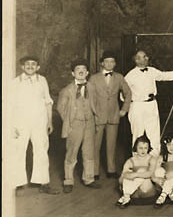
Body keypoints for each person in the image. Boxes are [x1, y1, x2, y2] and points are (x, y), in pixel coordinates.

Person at [124, 49, 173, 155]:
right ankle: (137, 160)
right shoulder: (130, 76)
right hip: (137, 106)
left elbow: (165, 76)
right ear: (137, 60)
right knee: (137, 134)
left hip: (152, 105)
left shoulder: (151, 71)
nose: (147, 58)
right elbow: (123, 94)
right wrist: (132, 102)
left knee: (154, 134)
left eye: (146, 56)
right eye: (144, 56)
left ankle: (154, 159)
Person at [9, 55, 58, 194]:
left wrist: (49, 121)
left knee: (41, 151)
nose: (30, 66)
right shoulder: (15, 83)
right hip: (20, 123)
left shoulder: (42, 80)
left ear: (38, 67)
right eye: (27, 64)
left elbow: (48, 102)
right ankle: (17, 184)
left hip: (39, 122)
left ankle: (43, 183)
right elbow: (9, 106)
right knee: (18, 151)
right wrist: (11, 126)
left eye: (33, 64)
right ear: (22, 67)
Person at [57, 60, 101, 193]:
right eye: (78, 69)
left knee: (89, 152)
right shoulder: (67, 90)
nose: (81, 71)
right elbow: (60, 108)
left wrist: (95, 120)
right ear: (73, 73)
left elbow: (96, 104)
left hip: (90, 123)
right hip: (75, 124)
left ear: (87, 73)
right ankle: (68, 180)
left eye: (83, 69)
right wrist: (69, 122)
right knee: (72, 152)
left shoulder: (92, 87)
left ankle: (89, 178)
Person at [87, 50, 132, 180]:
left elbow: (128, 93)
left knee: (111, 145)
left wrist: (124, 109)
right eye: (107, 61)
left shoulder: (119, 77)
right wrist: (93, 113)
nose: (109, 64)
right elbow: (89, 97)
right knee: (95, 145)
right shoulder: (94, 78)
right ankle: (94, 171)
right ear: (102, 63)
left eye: (112, 61)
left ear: (115, 63)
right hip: (98, 116)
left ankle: (111, 170)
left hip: (113, 116)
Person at [116, 134, 157, 207]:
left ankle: (126, 196)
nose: (143, 150)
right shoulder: (130, 161)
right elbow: (121, 180)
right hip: (134, 193)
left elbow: (150, 174)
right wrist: (127, 175)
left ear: (149, 148)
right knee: (127, 175)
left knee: (141, 171)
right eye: (140, 148)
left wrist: (135, 175)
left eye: (145, 148)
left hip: (147, 191)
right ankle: (127, 196)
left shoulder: (152, 159)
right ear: (136, 148)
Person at [152, 133, 173, 207]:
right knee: (158, 170)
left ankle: (163, 196)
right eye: (169, 144)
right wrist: (156, 179)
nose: (171, 147)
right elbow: (152, 174)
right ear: (165, 146)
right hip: (163, 184)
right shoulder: (161, 157)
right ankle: (169, 194)